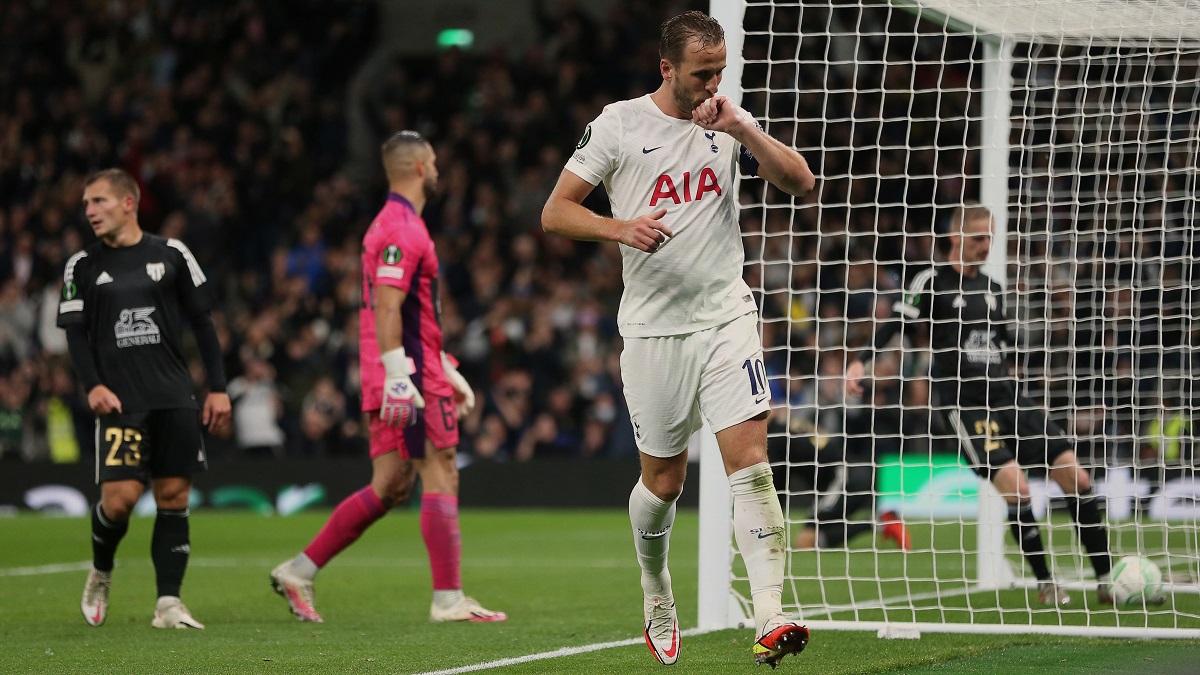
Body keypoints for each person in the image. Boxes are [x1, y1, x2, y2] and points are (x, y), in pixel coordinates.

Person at [541, 11, 815, 667]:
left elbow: (801, 182)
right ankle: (656, 584)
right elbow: (555, 212)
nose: (713, 82)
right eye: (702, 73)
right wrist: (620, 228)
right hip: (655, 329)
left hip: (726, 315)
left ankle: (771, 612)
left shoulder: (728, 120)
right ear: (666, 70)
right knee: (663, 481)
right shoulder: (619, 125)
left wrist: (744, 127)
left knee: (749, 455)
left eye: (720, 70)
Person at [269, 131, 506, 624]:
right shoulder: (403, 228)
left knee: (390, 484)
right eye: (435, 161)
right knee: (441, 469)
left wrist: (444, 368)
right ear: (420, 167)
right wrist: (405, 375)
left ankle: (299, 570)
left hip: (401, 368)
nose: (439, 169)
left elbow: (410, 311)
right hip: (406, 374)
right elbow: (388, 305)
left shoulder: (392, 224)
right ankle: (448, 599)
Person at [845, 203, 1115, 606]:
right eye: (977, 239)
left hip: (1007, 397)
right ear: (955, 238)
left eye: (989, 238)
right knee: (1019, 490)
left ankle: (1108, 578)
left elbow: (1002, 346)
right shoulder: (930, 280)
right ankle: (1046, 583)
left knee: (1077, 478)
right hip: (965, 406)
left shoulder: (993, 289)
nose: (985, 246)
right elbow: (895, 326)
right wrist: (861, 362)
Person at [61, 168, 231, 629]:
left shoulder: (172, 253)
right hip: (121, 401)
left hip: (173, 396)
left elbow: (203, 321)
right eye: (86, 204)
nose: (89, 211)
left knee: (173, 496)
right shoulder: (81, 265)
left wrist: (217, 386)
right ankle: (101, 569)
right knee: (118, 502)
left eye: (98, 201)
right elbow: (75, 336)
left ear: (128, 203)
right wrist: (92, 384)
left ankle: (169, 605)